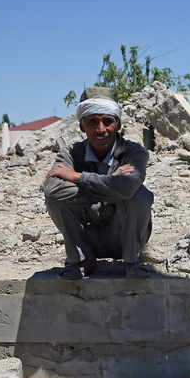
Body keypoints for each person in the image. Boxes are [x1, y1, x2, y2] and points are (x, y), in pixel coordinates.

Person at [44, 90, 153, 279]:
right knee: (56, 200)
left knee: (140, 195)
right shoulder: (70, 153)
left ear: (118, 124)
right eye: (92, 122)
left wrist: (77, 177)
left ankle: (131, 262)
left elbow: (128, 187)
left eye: (108, 121)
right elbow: (52, 191)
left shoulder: (134, 152)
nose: (101, 129)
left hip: (121, 235)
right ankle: (82, 260)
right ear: (82, 126)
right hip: (87, 236)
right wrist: (112, 185)